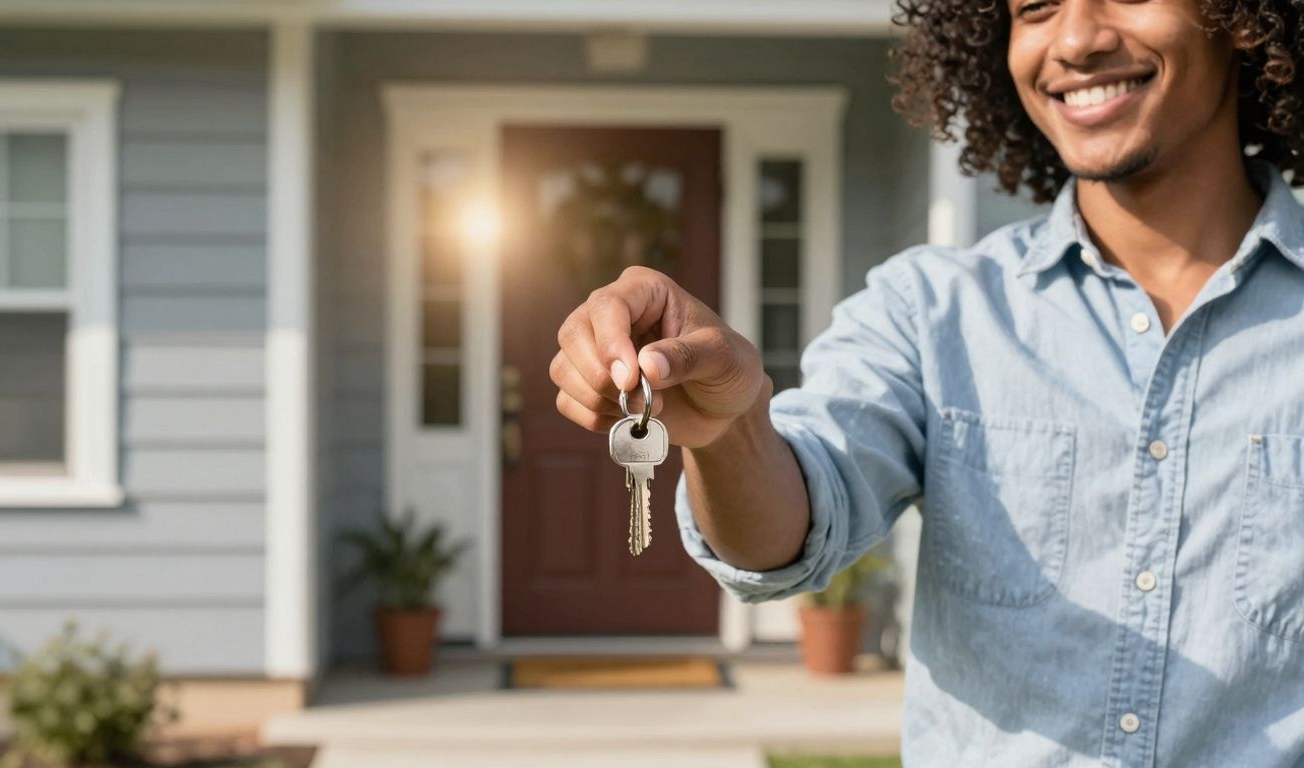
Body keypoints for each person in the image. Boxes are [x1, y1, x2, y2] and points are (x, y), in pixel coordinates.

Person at [549, 0, 1304, 761]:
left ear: (1243, 16)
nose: (1075, 39)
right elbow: (789, 532)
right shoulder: (929, 311)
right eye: (1035, 8)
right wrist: (727, 431)